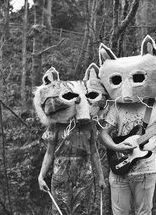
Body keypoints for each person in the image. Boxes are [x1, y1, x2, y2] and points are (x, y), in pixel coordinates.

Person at [98, 35, 156, 215]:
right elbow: (103, 134)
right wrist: (116, 146)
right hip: (119, 171)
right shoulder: (117, 106)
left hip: (146, 171)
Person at [34, 66, 106, 215]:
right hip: (61, 173)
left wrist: (100, 178)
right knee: (60, 211)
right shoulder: (56, 126)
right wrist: (41, 176)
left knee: (83, 211)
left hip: (84, 174)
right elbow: (49, 153)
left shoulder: (90, 126)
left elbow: (94, 152)